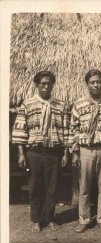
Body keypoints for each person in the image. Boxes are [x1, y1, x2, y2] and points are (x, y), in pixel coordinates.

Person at [12, 71, 69, 233]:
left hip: (54, 153)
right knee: (36, 186)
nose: (46, 86)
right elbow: (20, 130)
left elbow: (66, 131)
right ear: (37, 85)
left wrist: (65, 153)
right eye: (42, 83)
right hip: (35, 152)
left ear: (53, 85)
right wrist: (21, 154)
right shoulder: (27, 104)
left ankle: (49, 218)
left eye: (49, 83)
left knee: (53, 187)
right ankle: (36, 219)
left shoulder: (60, 105)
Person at [69, 69, 101, 234]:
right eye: (92, 82)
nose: (96, 85)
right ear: (87, 84)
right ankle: (84, 219)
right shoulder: (79, 104)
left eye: (98, 81)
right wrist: (75, 152)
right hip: (86, 150)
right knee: (84, 187)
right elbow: (73, 129)